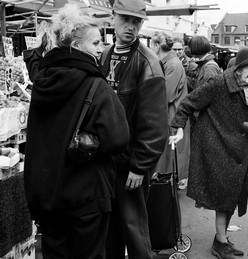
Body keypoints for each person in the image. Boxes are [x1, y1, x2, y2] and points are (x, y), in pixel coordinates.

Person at [23, 4, 130, 258]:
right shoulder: (96, 84)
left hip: (47, 195)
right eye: (95, 43)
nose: (101, 48)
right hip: (86, 196)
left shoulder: (41, 82)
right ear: (76, 46)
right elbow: (119, 138)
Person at [170, 47, 248, 259]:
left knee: (232, 195)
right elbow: (188, 103)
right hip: (216, 147)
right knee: (225, 195)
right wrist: (178, 128)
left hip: (238, 149)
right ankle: (220, 242)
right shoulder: (220, 83)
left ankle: (221, 240)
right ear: (238, 68)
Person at [99, 0, 169, 258]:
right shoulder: (105, 54)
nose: (130, 27)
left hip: (130, 162)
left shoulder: (148, 63)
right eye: (125, 19)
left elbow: (155, 123)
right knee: (109, 228)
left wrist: (140, 165)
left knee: (134, 229)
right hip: (106, 159)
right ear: (114, 17)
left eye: (136, 21)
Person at [150, 31, 190, 185]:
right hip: (171, 114)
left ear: (157, 45)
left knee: (170, 152)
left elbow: (166, 95)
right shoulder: (170, 62)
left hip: (172, 115)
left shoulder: (172, 64)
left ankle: (167, 180)